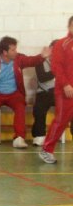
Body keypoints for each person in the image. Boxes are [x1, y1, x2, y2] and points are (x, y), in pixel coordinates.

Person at [0, 36, 51, 148]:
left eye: (15, 49)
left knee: (20, 106)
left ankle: (19, 138)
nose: (16, 52)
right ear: (5, 52)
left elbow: (30, 60)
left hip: (14, 93)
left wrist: (41, 57)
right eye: (13, 50)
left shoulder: (18, 58)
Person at [40, 16, 73, 164]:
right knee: (61, 120)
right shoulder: (61, 44)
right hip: (65, 91)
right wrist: (65, 84)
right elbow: (56, 66)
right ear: (69, 27)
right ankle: (46, 150)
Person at [32, 41, 61, 146]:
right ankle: (39, 135)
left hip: (60, 92)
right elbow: (42, 77)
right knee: (39, 109)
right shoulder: (40, 60)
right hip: (44, 91)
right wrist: (57, 68)